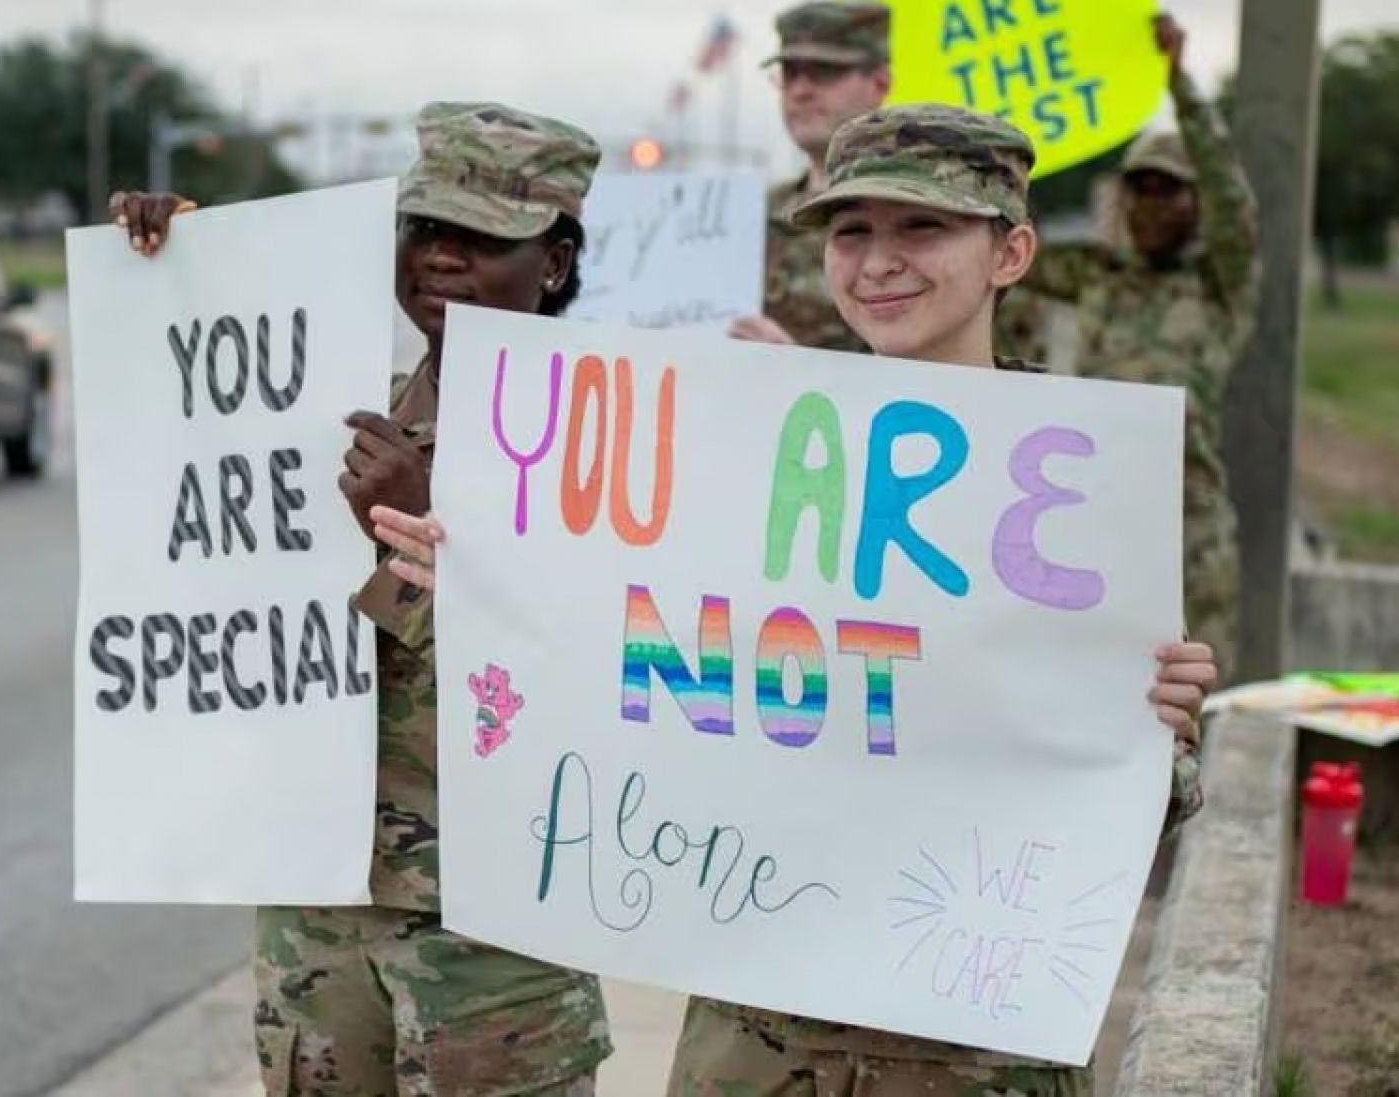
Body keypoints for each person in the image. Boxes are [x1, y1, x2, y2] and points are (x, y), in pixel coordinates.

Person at [375, 104, 1219, 1096]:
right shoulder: (736, 448)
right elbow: (630, 676)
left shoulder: (1079, 488)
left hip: (972, 1049)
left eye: (923, 229)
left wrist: (1163, 731)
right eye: (851, 232)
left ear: (1013, 251)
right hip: (756, 1040)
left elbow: (1122, 810)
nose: (879, 263)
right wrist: (484, 599)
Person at [111, 101, 613, 1096]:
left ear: (552, 263)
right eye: (427, 229)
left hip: (491, 934)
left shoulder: (598, 451)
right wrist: (171, 274)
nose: (443, 257)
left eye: (484, 238)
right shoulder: (339, 409)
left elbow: (589, 688)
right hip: (317, 907)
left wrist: (422, 543)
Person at [997, 13, 1258, 671]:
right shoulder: (1093, 275)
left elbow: (1234, 201)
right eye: (1138, 188)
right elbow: (988, 256)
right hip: (1089, 515)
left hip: (1185, 527)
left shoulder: (1220, 284)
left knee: (1200, 693)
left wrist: (1182, 87)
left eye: (1167, 189)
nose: (1150, 204)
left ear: (1195, 202)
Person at [758, 0, 892, 352]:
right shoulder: (748, 216)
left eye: (824, 71)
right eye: (790, 74)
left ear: (880, 80)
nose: (801, 90)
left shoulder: (915, 215)